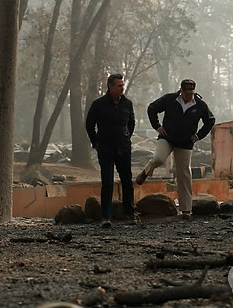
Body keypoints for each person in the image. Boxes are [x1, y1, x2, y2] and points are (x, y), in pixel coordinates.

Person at [135, 79, 215, 218]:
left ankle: (186, 209)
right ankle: (146, 172)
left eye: (191, 93)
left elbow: (210, 120)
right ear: (181, 91)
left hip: (185, 142)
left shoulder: (200, 105)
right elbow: (152, 108)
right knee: (158, 158)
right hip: (167, 137)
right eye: (186, 93)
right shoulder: (170, 99)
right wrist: (157, 126)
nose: (189, 96)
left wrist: (198, 135)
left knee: (184, 173)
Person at [85, 74, 136, 228]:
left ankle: (130, 213)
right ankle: (106, 217)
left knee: (127, 180)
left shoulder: (127, 104)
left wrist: (126, 138)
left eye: (122, 85)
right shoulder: (98, 104)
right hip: (105, 147)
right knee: (107, 182)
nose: (122, 88)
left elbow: (131, 123)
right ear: (110, 86)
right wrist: (96, 142)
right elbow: (89, 125)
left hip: (123, 147)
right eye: (119, 85)